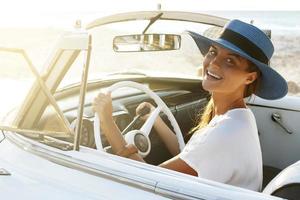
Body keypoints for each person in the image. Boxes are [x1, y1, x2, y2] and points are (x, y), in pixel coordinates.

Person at [92, 19, 288, 191]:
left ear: (250, 77)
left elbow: (147, 182)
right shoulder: (238, 118)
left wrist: (107, 121)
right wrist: (155, 119)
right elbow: (188, 156)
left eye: (230, 60)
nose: (213, 64)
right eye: (213, 52)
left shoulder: (227, 132)